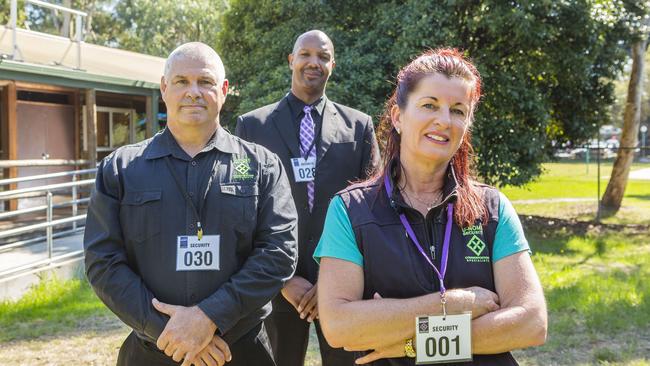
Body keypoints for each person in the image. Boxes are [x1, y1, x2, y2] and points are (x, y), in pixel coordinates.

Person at [314, 49, 547, 365]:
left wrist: (413, 341)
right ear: (398, 116)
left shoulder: (493, 208)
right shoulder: (349, 211)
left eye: (458, 110)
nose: (444, 120)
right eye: (429, 105)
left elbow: (531, 323)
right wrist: (452, 304)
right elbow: (340, 327)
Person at [84, 42, 298, 366]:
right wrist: (170, 333)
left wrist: (210, 317)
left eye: (206, 82)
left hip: (240, 351)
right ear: (164, 88)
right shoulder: (120, 170)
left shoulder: (262, 166)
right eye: (182, 81)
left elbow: (279, 253)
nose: (193, 92)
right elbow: (103, 262)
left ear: (224, 90)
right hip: (152, 351)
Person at [235, 30, 380, 366]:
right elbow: (242, 212)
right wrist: (283, 278)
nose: (314, 62)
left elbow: (371, 210)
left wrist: (331, 281)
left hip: (344, 286)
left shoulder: (358, 127)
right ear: (291, 61)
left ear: (333, 64)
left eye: (323, 56)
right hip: (277, 285)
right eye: (305, 54)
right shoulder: (252, 127)